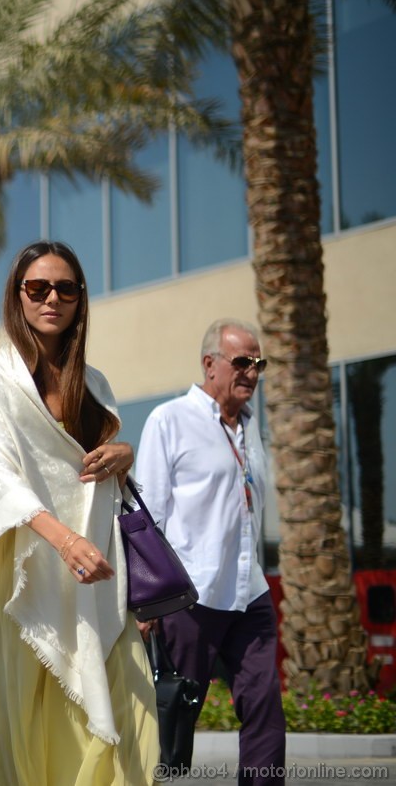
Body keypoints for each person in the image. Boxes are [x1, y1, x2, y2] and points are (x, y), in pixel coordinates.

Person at [0, 241, 158, 784]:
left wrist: (126, 453)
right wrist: (65, 543)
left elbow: (106, 482)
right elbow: (2, 477)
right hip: (28, 573)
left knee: (135, 720)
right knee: (32, 729)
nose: (52, 298)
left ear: (81, 300)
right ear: (17, 297)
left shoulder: (96, 385)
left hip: (99, 572)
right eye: (37, 288)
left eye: (66, 288)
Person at [136, 319, 286, 785]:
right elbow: (149, 514)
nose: (252, 372)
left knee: (264, 709)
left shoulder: (249, 426)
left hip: (249, 593)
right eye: (242, 362)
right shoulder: (169, 420)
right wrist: (148, 602)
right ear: (209, 365)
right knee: (176, 717)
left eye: (258, 364)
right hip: (191, 596)